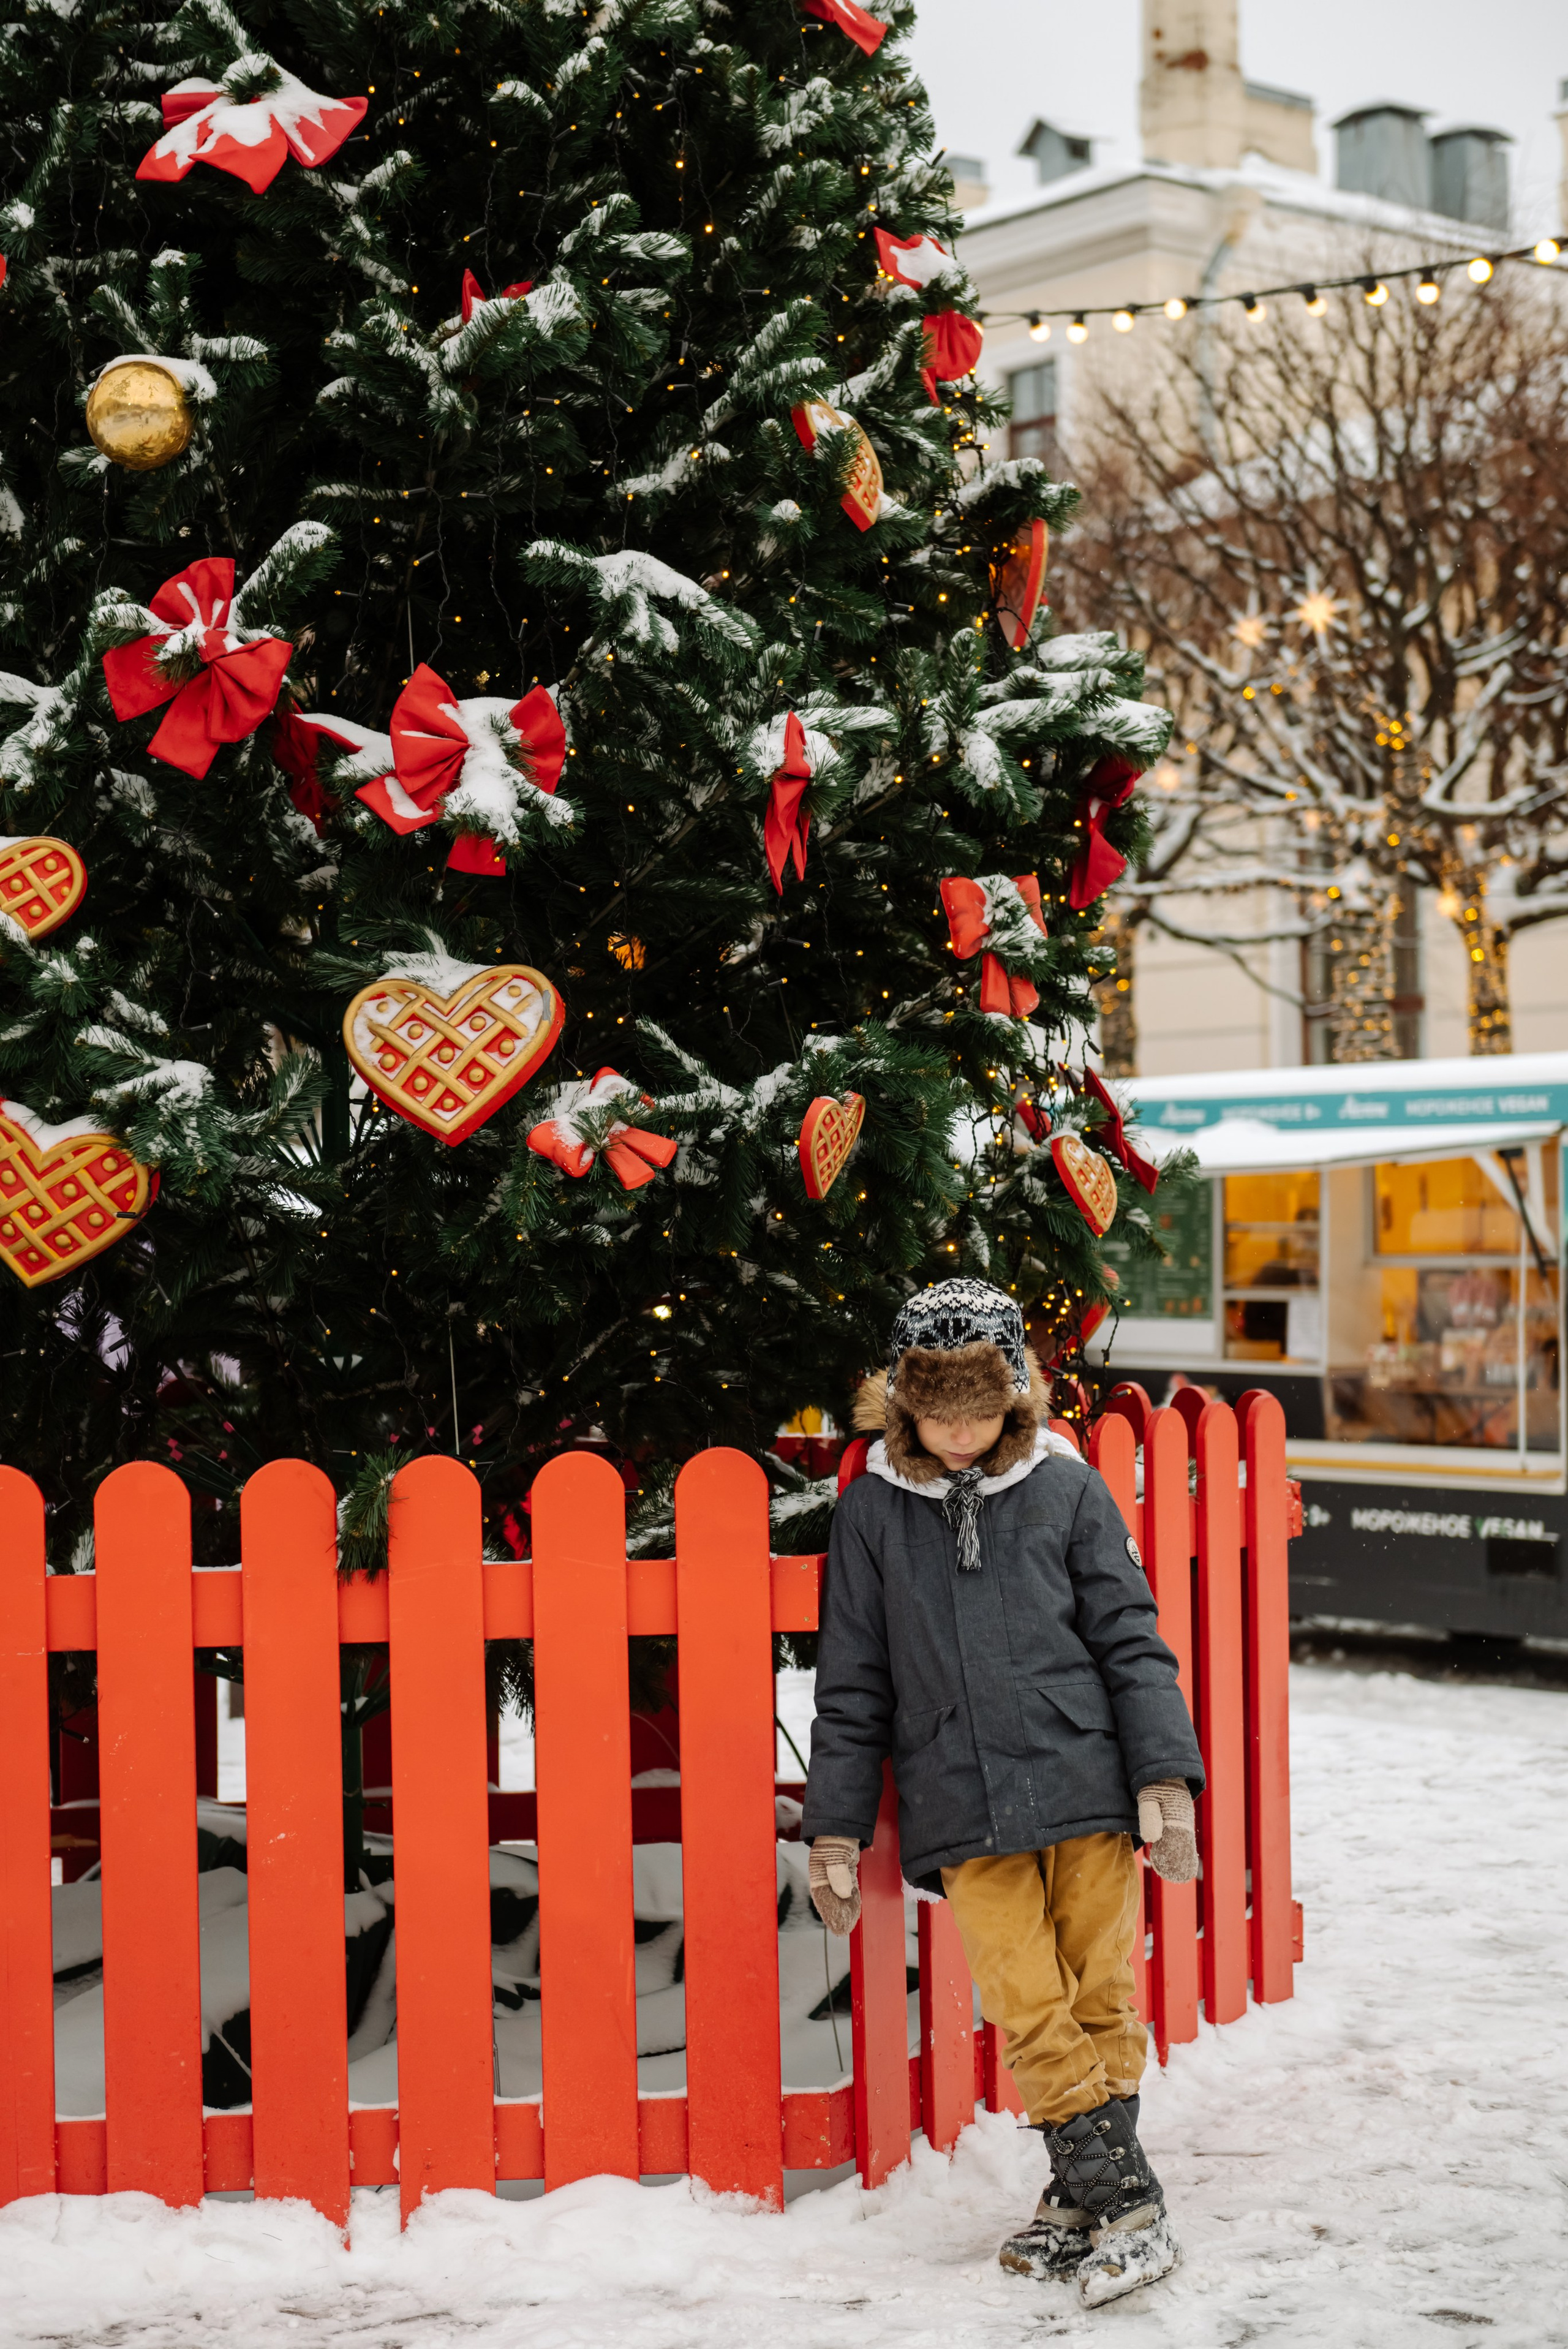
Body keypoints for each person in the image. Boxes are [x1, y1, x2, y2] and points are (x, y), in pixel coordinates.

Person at [802, 1278, 1204, 2309]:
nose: (959, 1432)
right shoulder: (872, 1512)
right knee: (1028, 2001)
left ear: (1014, 1397)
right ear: (905, 1403)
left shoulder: (1067, 1489)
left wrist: (1163, 1779)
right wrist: (834, 1833)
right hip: (962, 1799)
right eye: (938, 1411)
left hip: (1086, 1781)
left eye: (979, 1410)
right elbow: (853, 1683)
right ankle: (1127, 2203)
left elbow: (1130, 1639)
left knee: (1100, 1993)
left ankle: (1084, 2203)